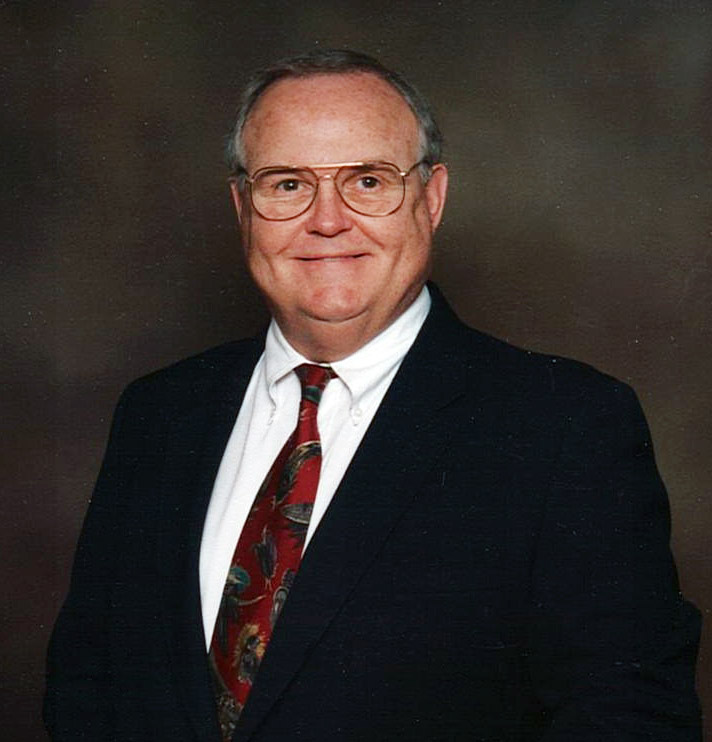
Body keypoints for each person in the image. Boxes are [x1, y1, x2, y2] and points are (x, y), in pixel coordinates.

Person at [44, 49, 702, 741]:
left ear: (432, 197)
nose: (328, 220)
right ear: (243, 207)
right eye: (288, 184)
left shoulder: (564, 426)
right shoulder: (159, 414)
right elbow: (86, 690)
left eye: (367, 180)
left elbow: (629, 721)